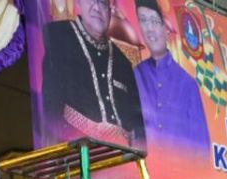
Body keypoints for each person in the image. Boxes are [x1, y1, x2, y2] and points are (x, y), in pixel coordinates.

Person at [40, 0, 146, 148]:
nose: (96, 7)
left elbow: (138, 126)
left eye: (103, 3)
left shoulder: (124, 63)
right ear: (78, 3)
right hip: (77, 153)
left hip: (121, 158)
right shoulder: (58, 37)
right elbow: (50, 111)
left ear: (110, 10)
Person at [133, 0, 210, 159]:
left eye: (154, 21)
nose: (149, 29)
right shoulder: (135, 76)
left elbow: (202, 151)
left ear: (166, 28)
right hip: (143, 176)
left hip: (180, 178)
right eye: (143, 20)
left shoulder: (188, 84)